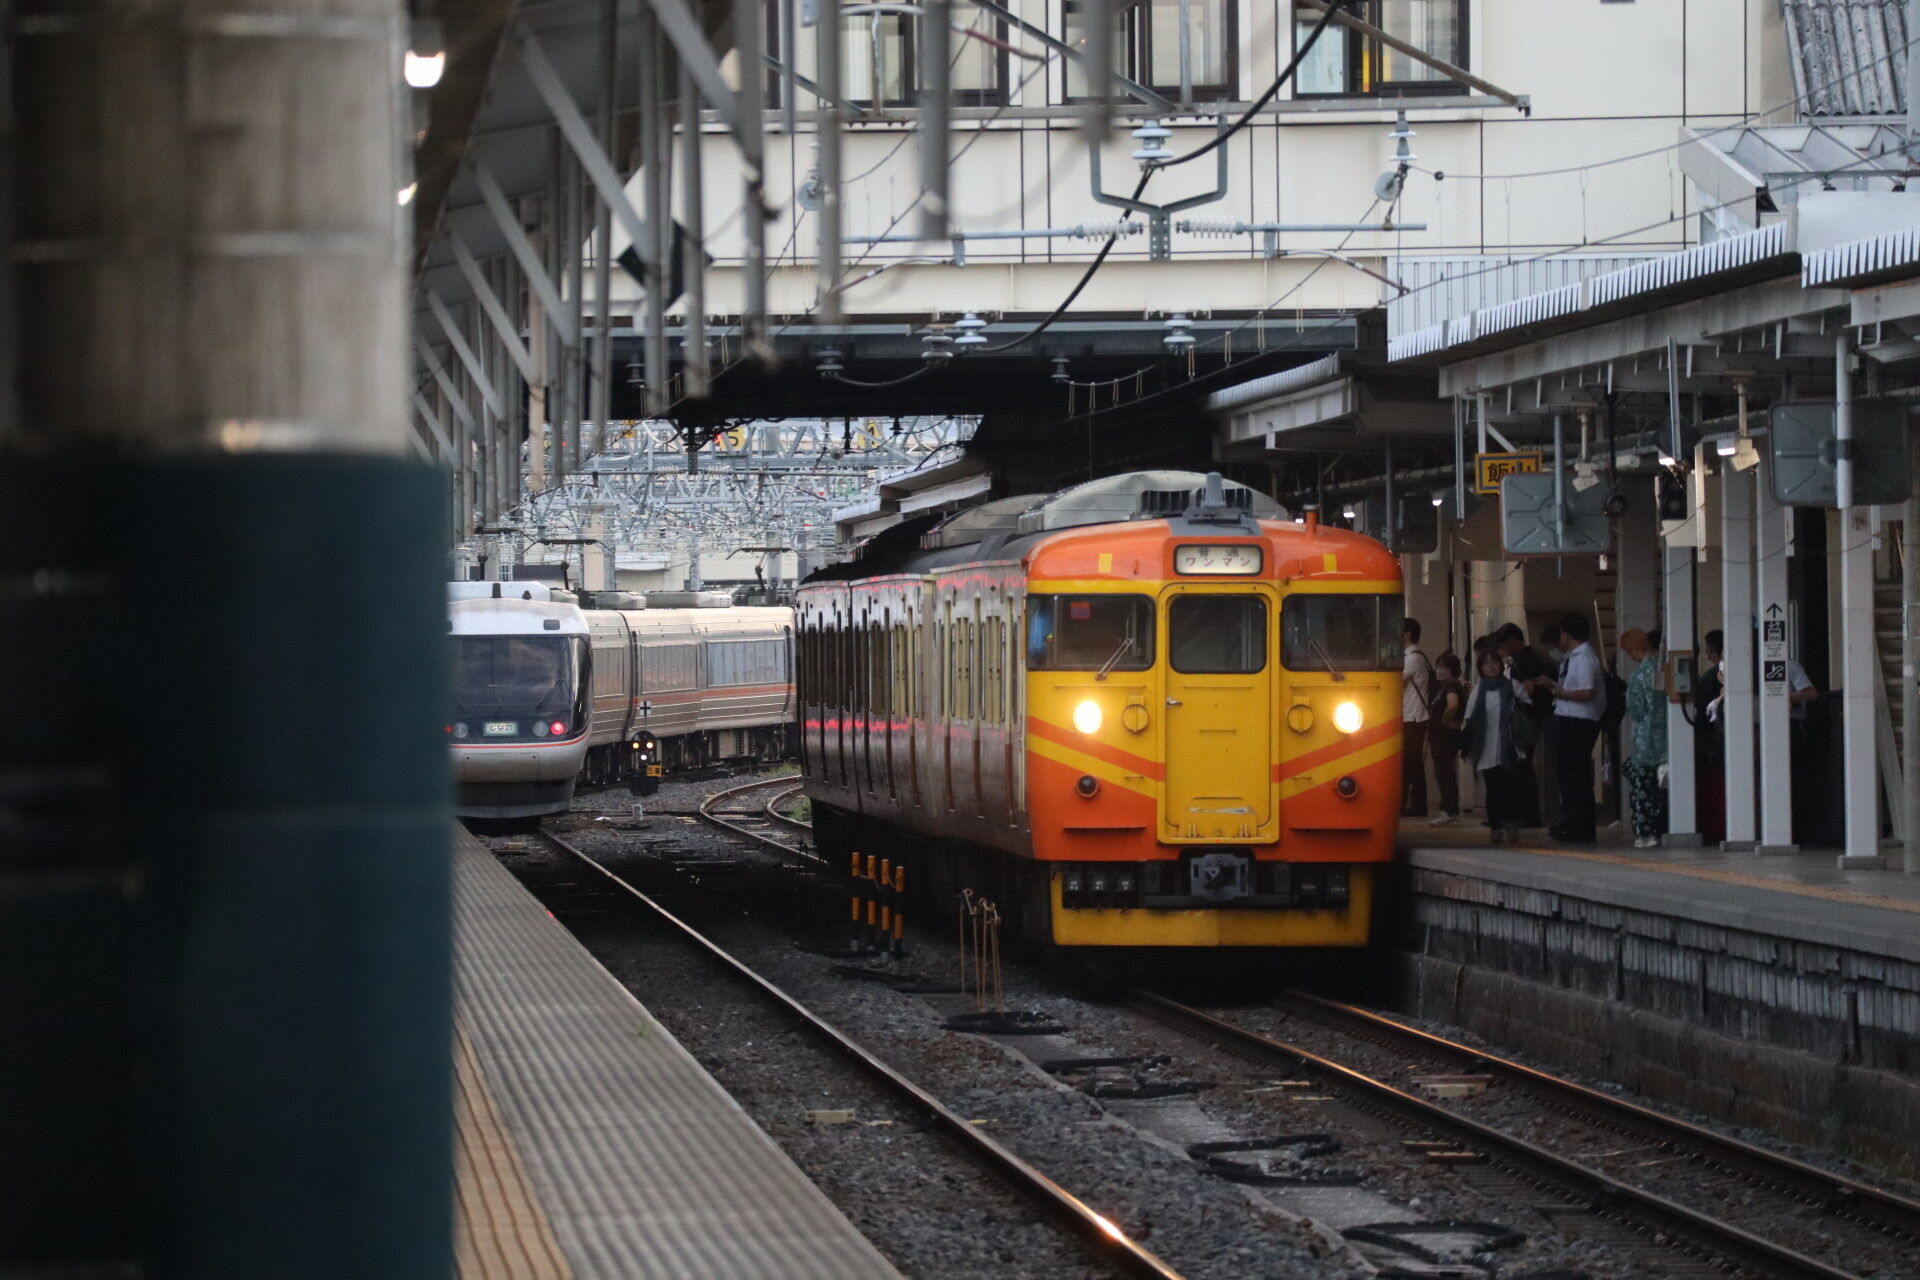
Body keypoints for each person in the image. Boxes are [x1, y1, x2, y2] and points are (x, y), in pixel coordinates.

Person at [1533, 614, 1605, 843]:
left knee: (1576, 776)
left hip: (1579, 721)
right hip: (1568, 718)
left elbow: (1586, 692)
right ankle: (1571, 822)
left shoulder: (1584, 658)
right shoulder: (1573, 657)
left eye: (1562, 633)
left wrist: (1559, 692)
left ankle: (1580, 827)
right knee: (1568, 775)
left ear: (1566, 634)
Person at [1463, 647, 1533, 845]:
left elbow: (1528, 707)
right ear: (1481, 668)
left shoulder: (1512, 685)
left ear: (1501, 665)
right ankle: (1496, 827)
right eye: (1486, 664)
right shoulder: (1478, 690)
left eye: (1494, 662)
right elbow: (1469, 718)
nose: (1491, 667)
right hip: (1485, 748)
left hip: (1510, 746)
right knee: (1493, 790)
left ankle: (1511, 824)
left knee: (1510, 788)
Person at [1620, 628, 1667, 848]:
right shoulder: (1665, 668)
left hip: (1645, 740)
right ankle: (1667, 826)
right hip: (1668, 737)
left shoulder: (1638, 676)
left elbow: (1635, 710)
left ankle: (1647, 833)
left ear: (1635, 650)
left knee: (1642, 788)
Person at [1427, 652, 1468, 825]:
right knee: (1444, 773)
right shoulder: (1446, 686)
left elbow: (1452, 705)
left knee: (1444, 774)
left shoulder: (1451, 686)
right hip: (1441, 737)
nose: (1439, 670)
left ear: (1452, 670)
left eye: (1444, 667)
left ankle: (1448, 810)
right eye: (1438, 666)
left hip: (1444, 737)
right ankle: (1450, 810)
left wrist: (1445, 722)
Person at [1694, 629, 1726, 845]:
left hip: (1712, 739)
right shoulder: (1736, 670)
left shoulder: (1709, 677)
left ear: (1712, 651)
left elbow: (1699, 708)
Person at [1401, 617, 1434, 819]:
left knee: (1413, 762)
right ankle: (1409, 803)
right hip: (1410, 716)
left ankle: (1418, 804)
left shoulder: (1413, 658)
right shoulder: (1411, 657)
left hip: (1414, 717)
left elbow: (1395, 680)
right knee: (1408, 762)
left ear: (1407, 635)